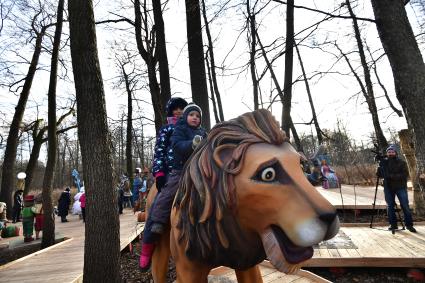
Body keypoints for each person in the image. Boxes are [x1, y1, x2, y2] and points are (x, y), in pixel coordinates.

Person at [139, 103, 206, 271]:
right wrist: (159, 173)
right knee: (163, 199)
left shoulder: (202, 131)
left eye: (181, 109)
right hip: (175, 169)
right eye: (175, 109)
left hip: (198, 169)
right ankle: (150, 238)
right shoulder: (172, 129)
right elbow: (162, 150)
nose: (178, 111)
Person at [377, 145, 416, 232]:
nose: (390, 153)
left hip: (400, 187)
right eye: (389, 152)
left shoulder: (401, 162)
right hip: (388, 187)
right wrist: (379, 164)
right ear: (387, 153)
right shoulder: (384, 162)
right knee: (390, 206)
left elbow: (405, 174)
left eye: (392, 152)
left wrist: (392, 176)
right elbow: (379, 175)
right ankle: (393, 225)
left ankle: (409, 225)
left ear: (395, 153)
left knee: (405, 205)